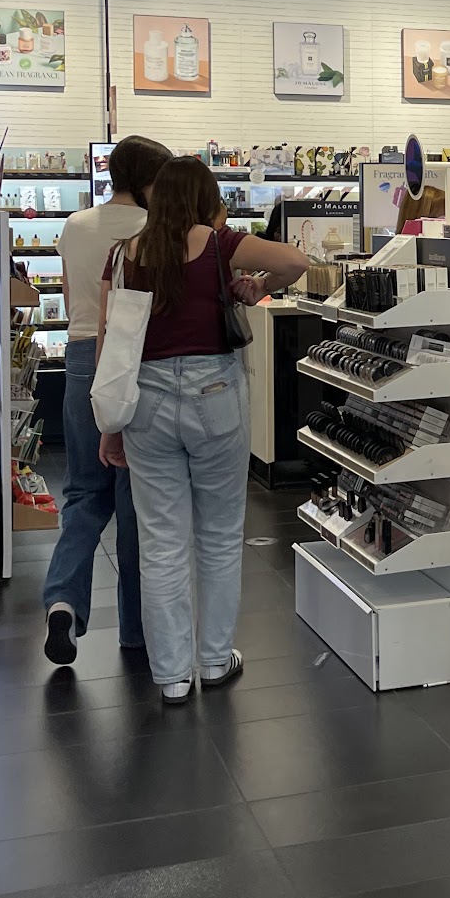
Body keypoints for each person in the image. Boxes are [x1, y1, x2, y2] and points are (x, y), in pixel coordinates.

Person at [97, 156, 310, 704]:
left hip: (143, 400)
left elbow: (110, 344)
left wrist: (110, 425)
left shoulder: (124, 254)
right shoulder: (219, 244)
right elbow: (296, 261)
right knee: (218, 535)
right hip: (214, 395)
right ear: (204, 199)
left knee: (160, 541)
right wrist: (256, 286)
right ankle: (214, 660)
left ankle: (170, 675)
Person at [42, 134, 172, 667]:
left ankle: (62, 603)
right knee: (135, 501)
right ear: (147, 182)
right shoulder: (154, 230)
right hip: (134, 361)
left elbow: (69, 297)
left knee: (82, 493)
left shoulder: (76, 225)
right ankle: (136, 631)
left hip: (79, 357)